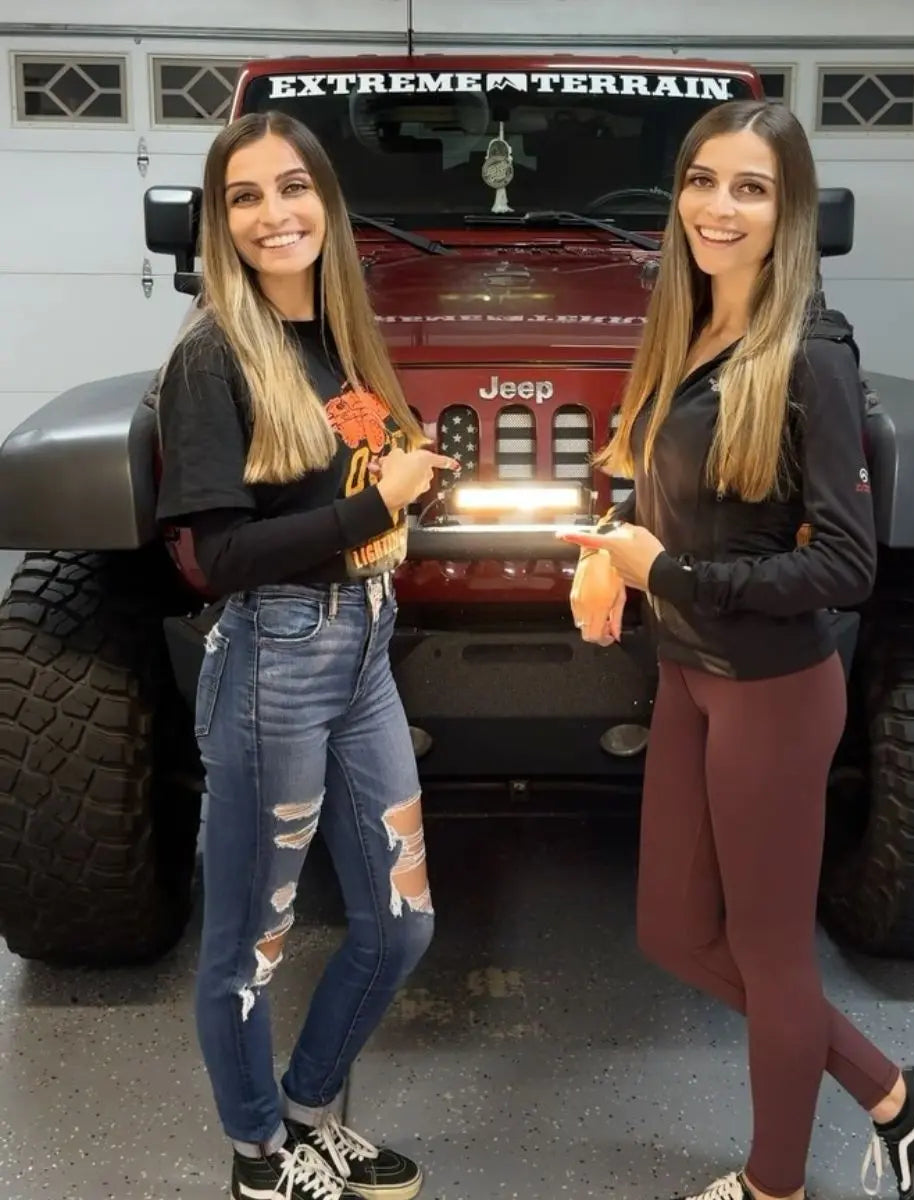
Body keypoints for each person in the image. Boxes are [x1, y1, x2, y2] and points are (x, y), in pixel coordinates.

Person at [558, 99, 914, 1200]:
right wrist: (610, 553)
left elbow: (844, 567)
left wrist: (663, 577)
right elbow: (655, 484)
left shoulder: (812, 355)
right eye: (702, 181)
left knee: (773, 959)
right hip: (693, 674)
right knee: (671, 930)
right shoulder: (682, 329)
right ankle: (901, 1100)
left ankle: (772, 1186)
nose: (719, 207)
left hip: (775, 694)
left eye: (751, 188)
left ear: (789, 214)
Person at [155, 110, 458, 1200]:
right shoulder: (210, 356)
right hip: (274, 659)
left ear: (327, 204)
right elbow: (218, 556)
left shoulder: (338, 339)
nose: (274, 213)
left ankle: (310, 1108)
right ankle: (258, 1159)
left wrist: (412, 478)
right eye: (245, 196)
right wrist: (372, 501)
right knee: (251, 945)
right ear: (220, 222)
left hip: (365, 644)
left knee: (401, 921)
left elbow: (354, 480)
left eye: (292, 189)